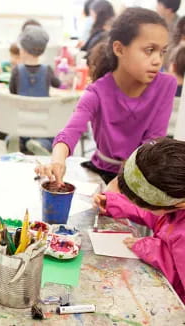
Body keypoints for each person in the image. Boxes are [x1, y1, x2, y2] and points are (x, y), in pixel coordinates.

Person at [36, 8, 177, 184]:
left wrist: (125, 182)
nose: (157, 60)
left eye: (162, 52)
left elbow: (153, 141)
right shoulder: (96, 93)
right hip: (101, 173)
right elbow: (70, 132)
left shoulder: (166, 85)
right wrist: (57, 161)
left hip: (142, 174)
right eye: (149, 50)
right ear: (119, 49)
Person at [93, 138, 185, 303]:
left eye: (143, 204)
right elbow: (158, 216)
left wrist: (154, 250)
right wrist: (115, 203)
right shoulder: (176, 197)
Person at [9, 25, 61, 155]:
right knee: (52, 137)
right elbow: (58, 84)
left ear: (23, 50)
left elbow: (12, 93)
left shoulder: (17, 71)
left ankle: (16, 141)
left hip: (20, 122)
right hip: (42, 122)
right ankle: (40, 143)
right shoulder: (47, 70)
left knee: (11, 134)